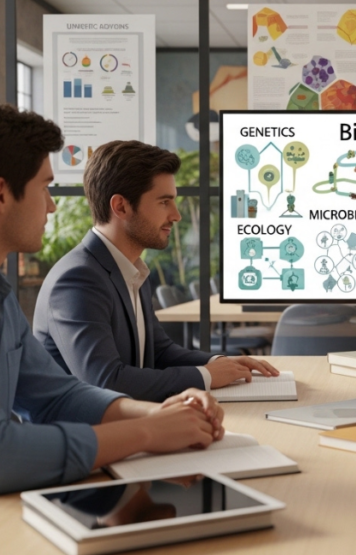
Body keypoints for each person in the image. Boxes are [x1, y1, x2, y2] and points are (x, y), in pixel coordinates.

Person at [0, 101, 226, 549]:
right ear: (1, 193)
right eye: (45, 187)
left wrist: (161, 414)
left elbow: (56, 395)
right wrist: (146, 433)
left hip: (1, 518)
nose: (51, 206)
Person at [33, 140, 278, 402]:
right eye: (164, 202)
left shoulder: (131, 270)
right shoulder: (78, 279)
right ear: (121, 207)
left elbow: (159, 352)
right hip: (90, 437)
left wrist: (222, 363)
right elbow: (106, 380)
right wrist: (205, 376)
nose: (176, 215)